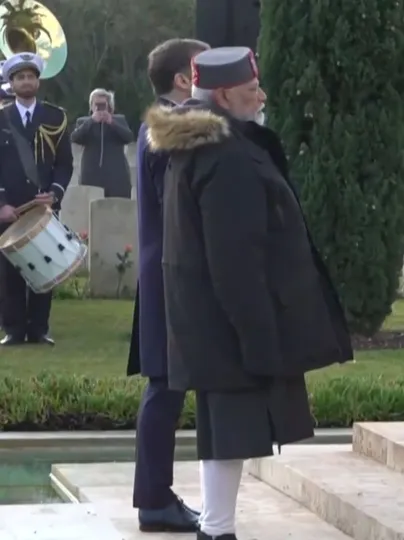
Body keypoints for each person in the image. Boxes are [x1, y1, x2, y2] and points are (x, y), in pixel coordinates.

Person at [144, 46, 353, 540]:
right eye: (252, 88)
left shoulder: (196, 146)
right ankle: (217, 530)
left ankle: (217, 528)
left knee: (224, 431)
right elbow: (234, 255)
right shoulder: (225, 154)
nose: (261, 95)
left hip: (206, 317)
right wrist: (257, 332)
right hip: (227, 317)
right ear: (223, 94)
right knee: (229, 427)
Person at [126, 38, 210, 533]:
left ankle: (156, 496)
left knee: (167, 387)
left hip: (164, 271)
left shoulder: (160, 122)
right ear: (184, 79)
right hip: (170, 274)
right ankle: (154, 500)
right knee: (165, 388)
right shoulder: (169, 128)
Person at [0, 52, 72, 346]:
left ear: (38, 81)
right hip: (10, 208)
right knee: (9, 270)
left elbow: (65, 163)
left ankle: (39, 329)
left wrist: (54, 193)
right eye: (20, 77)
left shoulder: (56, 117)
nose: (26, 81)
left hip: (44, 205)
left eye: (30, 76)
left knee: (46, 264)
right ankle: (14, 330)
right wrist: (1, 202)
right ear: (11, 83)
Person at [70, 88, 136, 198]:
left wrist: (112, 122)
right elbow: (75, 137)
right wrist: (91, 121)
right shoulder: (83, 122)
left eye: (102, 105)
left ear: (109, 106)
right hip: (91, 175)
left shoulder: (119, 120)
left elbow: (129, 137)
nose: (98, 108)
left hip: (116, 176)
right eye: (96, 104)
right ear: (91, 106)